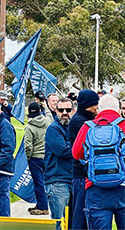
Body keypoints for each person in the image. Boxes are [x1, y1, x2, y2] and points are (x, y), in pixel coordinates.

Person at [72, 94, 125, 230]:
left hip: (96, 187)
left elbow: (76, 153)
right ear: (118, 110)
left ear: (98, 110)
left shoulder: (88, 127)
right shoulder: (123, 125)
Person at [68, 89, 99, 230]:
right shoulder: (80, 122)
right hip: (81, 174)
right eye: (95, 104)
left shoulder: (85, 120)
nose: (97, 108)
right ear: (88, 105)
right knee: (80, 215)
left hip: (87, 174)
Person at [44, 98, 75, 229]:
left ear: (73, 111)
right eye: (61, 110)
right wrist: (78, 146)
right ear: (55, 111)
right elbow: (62, 151)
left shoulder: (74, 128)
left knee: (73, 222)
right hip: (57, 181)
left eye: (67, 110)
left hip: (72, 178)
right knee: (60, 223)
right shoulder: (53, 129)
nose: (64, 113)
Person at [24, 102, 51, 215]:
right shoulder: (47, 121)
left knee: (38, 183)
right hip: (47, 156)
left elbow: (28, 146)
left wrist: (28, 157)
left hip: (35, 157)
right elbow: (49, 114)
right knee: (46, 182)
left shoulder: (29, 127)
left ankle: (43, 206)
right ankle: (42, 203)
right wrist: (45, 106)